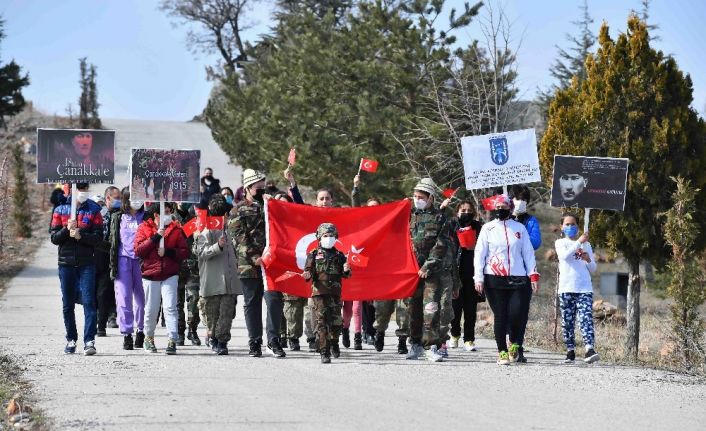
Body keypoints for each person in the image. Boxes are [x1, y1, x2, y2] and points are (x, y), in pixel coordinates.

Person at [474, 194, 540, 365]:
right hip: (493, 278)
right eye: (497, 208)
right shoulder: (487, 228)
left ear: (510, 209)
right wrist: (478, 278)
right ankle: (502, 351)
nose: (500, 210)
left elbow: (528, 252)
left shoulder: (519, 228)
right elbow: (479, 254)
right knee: (501, 315)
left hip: (518, 277)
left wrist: (533, 274)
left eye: (503, 208)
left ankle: (515, 343)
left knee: (518, 313)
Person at [229, 168, 286, 358]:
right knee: (252, 303)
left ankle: (274, 341)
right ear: (248, 188)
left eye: (263, 187)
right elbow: (239, 237)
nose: (262, 190)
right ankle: (255, 342)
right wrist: (255, 257)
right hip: (249, 264)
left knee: (274, 301)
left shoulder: (271, 206)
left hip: (272, 263)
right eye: (257, 188)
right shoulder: (238, 209)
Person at [50, 182, 103, 355]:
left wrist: (81, 235)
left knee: (89, 301)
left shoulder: (94, 209)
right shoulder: (60, 209)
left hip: (86, 262)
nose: (83, 192)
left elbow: (98, 237)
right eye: (80, 188)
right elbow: (54, 238)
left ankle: (89, 340)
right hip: (66, 263)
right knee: (68, 304)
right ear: (71, 189)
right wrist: (67, 229)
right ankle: (71, 339)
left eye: (85, 188)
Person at [405, 178, 453, 362]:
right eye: (415, 196)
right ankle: (415, 344)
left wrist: (428, 265)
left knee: (431, 309)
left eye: (421, 197)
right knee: (413, 309)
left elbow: (441, 245)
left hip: (431, 272)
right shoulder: (409, 215)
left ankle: (431, 346)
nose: (417, 199)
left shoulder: (439, 217)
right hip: (411, 271)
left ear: (431, 198)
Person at [135, 203, 189, 355]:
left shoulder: (176, 229)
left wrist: (168, 252)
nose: (167, 214)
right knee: (151, 310)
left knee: (170, 308)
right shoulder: (143, 228)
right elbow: (139, 250)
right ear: (156, 215)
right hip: (150, 275)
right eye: (163, 212)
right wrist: (156, 236)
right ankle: (149, 338)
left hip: (170, 274)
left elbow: (185, 252)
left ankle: (172, 339)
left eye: (169, 211)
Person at [195, 194, 240, 355]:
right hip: (212, 281)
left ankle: (222, 341)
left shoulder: (232, 230)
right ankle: (212, 336)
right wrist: (217, 246)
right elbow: (201, 252)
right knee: (211, 315)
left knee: (227, 313)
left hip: (229, 281)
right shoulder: (206, 231)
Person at [303, 223, 352, 363]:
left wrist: (347, 268)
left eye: (331, 236)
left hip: (335, 293)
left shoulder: (339, 255)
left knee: (336, 323)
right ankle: (324, 352)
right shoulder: (313, 254)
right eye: (325, 236)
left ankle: (335, 343)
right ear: (319, 237)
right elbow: (309, 270)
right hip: (319, 293)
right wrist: (307, 274)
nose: (328, 238)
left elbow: (346, 275)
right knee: (322, 323)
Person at [556, 213, 600, 364]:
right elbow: (564, 256)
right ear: (561, 227)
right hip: (566, 288)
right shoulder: (560, 243)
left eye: (573, 224)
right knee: (568, 322)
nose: (570, 227)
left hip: (584, 288)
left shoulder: (586, 245)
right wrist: (579, 242)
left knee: (585, 318)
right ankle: (570, 350)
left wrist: (588, 259)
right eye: (567, 224)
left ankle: (589, 348)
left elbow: (593, 269)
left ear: (578, 226)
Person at [109, 188, 146, 350]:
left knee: (141, 299)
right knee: (124, 299)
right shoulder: (118, 217)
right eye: (133, 197)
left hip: (142, 262)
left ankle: (141, 330)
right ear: (126, 199)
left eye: (139, 197)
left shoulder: (147, 216)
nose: (137, 200)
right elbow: (110, 240)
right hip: (123, 261)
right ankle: (127, 334)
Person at [508, 185, 541, 362]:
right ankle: (508, 337)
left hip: (525, 272)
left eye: (523, 200)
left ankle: (518, 346)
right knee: (506, 311)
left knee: (521, 311)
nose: (519, 202)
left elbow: (535, 243)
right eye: (516, 199)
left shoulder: (531, 221)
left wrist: (518, 235)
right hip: (503, 272)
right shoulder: (503, 219)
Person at [449, 200, 484, 351]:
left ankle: (469, 339)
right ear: (457, 212)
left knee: (470, 309)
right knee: (455, 309)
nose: (466, 212)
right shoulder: (452, 225)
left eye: (469, 210)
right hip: (456, 274)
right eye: (463, 210)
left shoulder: (479, 227)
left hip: (473, 274)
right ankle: (454, 334)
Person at [95, 186, 120, 337]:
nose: (119, 200)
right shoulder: (100, 215)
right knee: (102, 291)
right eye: (116, 197)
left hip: (117, 256)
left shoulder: (121, 214)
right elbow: (99, 236)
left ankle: (110, 317)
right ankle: (100, 322)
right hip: (101, 255)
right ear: (108, 198)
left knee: (113, 289)